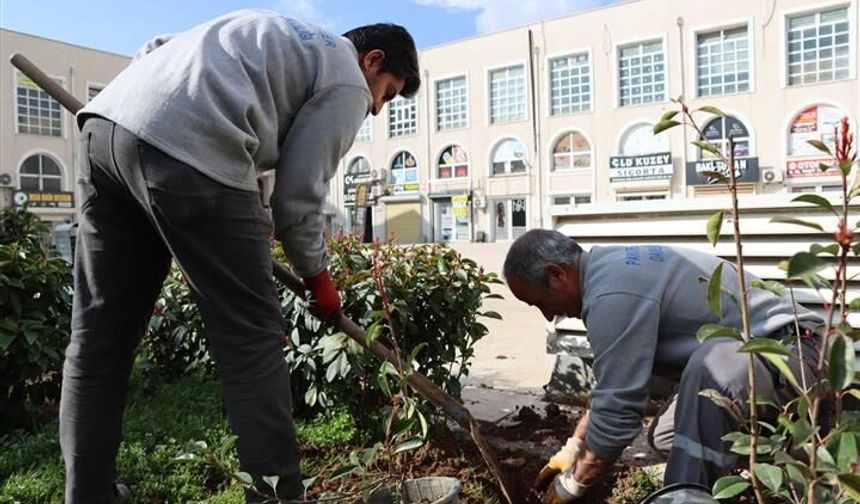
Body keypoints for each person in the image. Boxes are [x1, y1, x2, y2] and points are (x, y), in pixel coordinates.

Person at [61, 10, 419, 504]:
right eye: (387, 92)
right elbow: (297, 198)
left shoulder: (266, 31)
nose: (377, 109)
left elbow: (153, 48)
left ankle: (87, 494)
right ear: (372, 60)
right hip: (193, 148)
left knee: (99, 338)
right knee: (252, 342)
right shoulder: (347, 77)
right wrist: (319, 278)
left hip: (107, 130)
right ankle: (280, 498)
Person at [502, 229, 823, 503]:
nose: (548, 316)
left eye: (540, 303)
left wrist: (572, 486)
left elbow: (617, 419)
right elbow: (612, 389)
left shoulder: (612, 294)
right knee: (668, 437)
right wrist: (572, 450)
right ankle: (765, 471)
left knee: (709, 370)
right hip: (760, 361)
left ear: (558, 274)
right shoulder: (606, 272)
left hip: (798, 351)